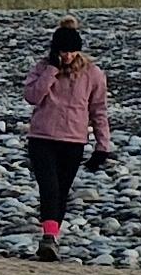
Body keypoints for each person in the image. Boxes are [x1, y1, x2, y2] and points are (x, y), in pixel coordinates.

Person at [20, 19, 113, 261]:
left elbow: (99, 110)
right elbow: (32, 96)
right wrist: (51, 71)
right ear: (55, 50)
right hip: (42, 138)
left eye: (72, 51)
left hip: (73, 141)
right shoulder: (42, 68)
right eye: (64, 51)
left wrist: (102, 146)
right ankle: (48, 238)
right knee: (49, 188)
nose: (68, 56)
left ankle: (52, 236)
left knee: (61, 191)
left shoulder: (93, 74)